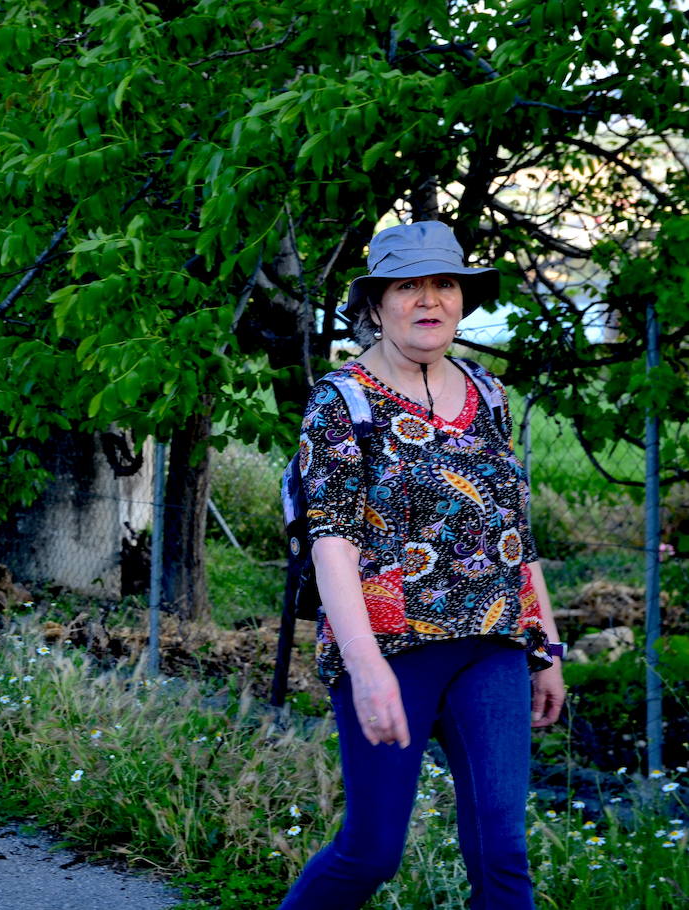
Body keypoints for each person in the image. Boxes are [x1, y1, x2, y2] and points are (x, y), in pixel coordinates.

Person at [278, 220, 566, 909]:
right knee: (370, 853)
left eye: (444, 284)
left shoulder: (488, 394)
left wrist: (547, 644)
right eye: (408, 286)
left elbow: (511, 532)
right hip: (392, 649)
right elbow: (332, 545)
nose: (429, 299)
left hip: (493, 646)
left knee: (503, 855)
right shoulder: (341, 402)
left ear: (463, 299)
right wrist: (366, 666)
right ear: (376, 305)